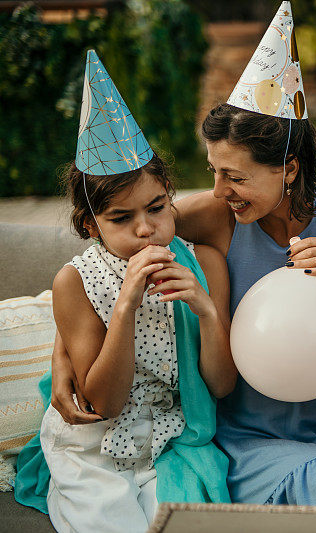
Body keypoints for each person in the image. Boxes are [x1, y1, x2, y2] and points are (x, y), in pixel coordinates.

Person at [48, 3, 316, 506]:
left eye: (235, 176)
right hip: (252, 435)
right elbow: (109, 246)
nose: (218, 190)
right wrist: (63, 348)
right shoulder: (211, 218)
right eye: (214, 170)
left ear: (288, 168)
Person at [15, 50, 234, 532]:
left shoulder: (204, 264)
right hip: (93, 445)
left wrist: (207, 313)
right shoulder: (76, 282)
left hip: (168, 440)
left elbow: (221, 386)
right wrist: (126, 306)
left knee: (180, 522)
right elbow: (102, 405)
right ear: (91, 225)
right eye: (121, 218)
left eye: (157, 208)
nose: (146, 229)